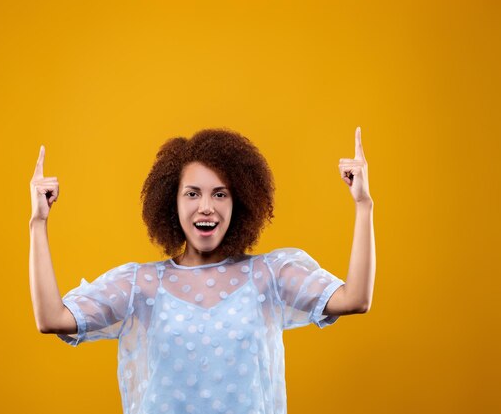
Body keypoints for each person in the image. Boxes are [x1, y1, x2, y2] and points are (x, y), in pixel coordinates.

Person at [28, 127, 375, 414]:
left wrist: (363, 205)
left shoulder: (269, 275)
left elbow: (355, 299)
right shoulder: (141, 285)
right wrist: (38, 223)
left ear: (240, 202)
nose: (206, 207)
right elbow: (52, 319)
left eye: (220, 194)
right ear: (172, 202)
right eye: (192, 193)